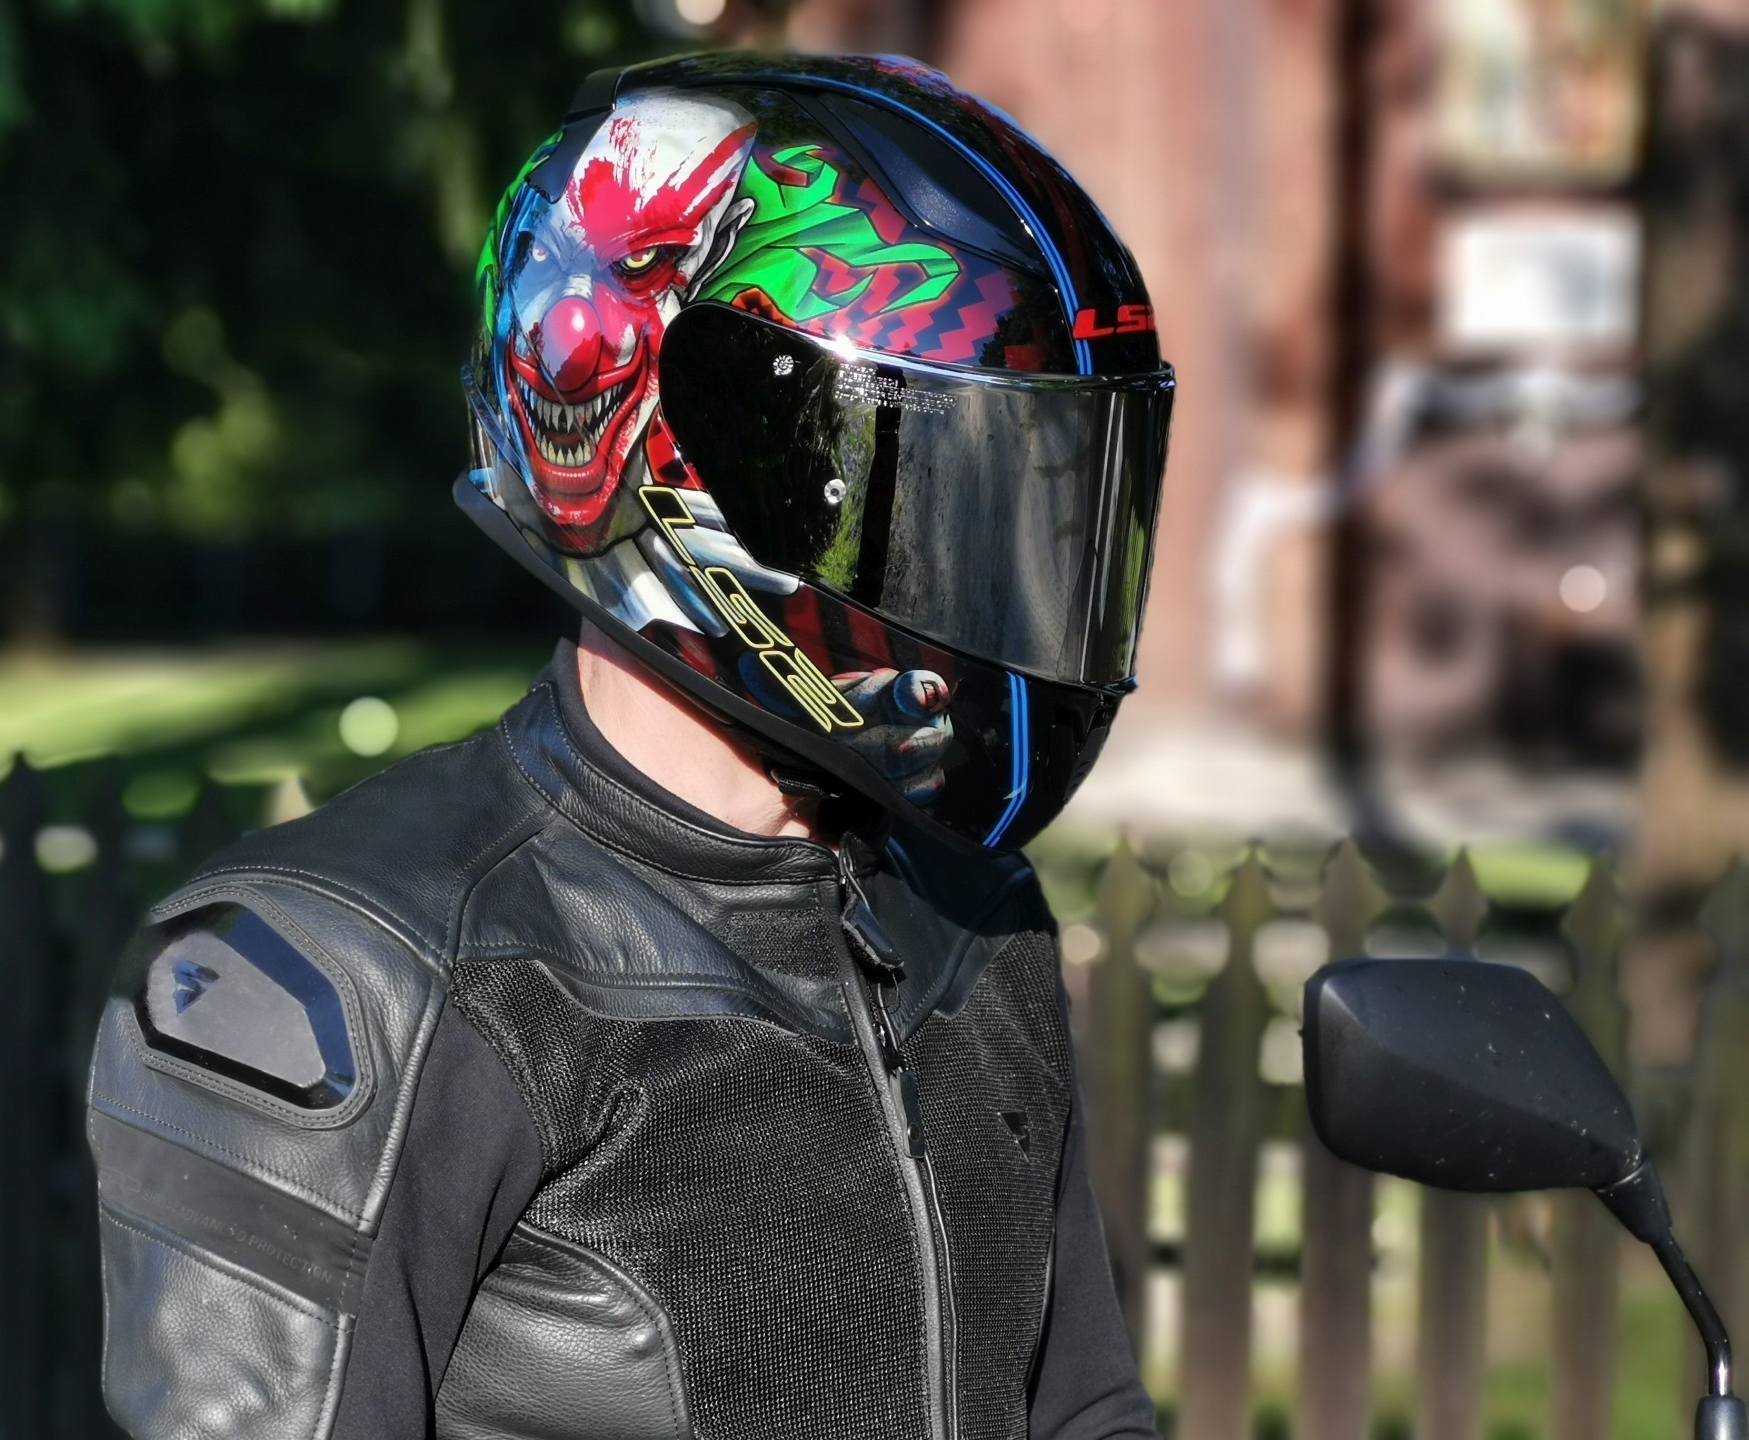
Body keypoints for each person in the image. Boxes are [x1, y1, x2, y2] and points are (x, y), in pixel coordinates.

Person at [86, 51, 1172, 1440]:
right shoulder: (345, 978)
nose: (1003, 578)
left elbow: (1083, 1408)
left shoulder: (974, 918)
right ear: (690, 452)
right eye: (941, 507)